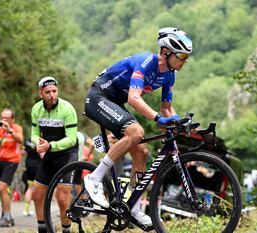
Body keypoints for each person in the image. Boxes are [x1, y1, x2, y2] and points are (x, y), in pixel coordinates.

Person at [83, 27, 192, 227]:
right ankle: (94, 178)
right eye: (182, 56)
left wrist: (178, 121)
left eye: (187, 57)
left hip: (116, 102)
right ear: (166, 52)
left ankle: (133, 208)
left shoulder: (170, 75)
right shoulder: (146, 62)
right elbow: (134, 98)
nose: (185, 61)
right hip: (99, 97)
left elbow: (167, 107)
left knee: (141, 151)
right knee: (136, 132)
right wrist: (158, 118)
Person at [30, 76, 78, 233]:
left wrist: (50, 146)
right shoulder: (36, 109)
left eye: (55, 91)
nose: (52, 95)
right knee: (36, 194)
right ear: (40, 93)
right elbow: (34, 133)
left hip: (67, 154)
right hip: (50, 152)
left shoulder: (67, 109)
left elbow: (71, 139)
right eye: (48, 92)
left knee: (62, 198)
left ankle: (66, 230)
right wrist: (38, 142)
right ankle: (42, 229)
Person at [21, 138, 41, 216]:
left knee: (30, 188)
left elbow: (23, 152)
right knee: (41, 189)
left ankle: (26, 210)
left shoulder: (28, 140)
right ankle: (40, 212)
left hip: (29, 166)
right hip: (38, 167)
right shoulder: (41, 140)